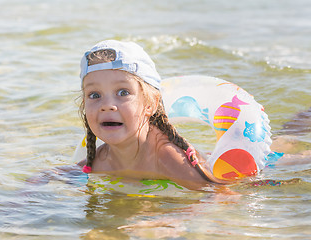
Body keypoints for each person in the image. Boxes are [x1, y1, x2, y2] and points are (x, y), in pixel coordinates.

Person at [76, 39, 229, 189]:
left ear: (151, 104)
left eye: (123, 92)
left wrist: (169, 215)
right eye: (94, 95)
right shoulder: (99, 160)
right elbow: (71, 173)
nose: (107, 105)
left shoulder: (167, 157)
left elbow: (219, 195)